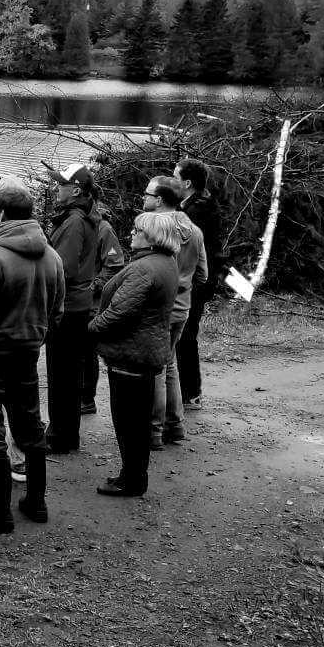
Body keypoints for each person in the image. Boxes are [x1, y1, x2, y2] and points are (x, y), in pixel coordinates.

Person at [0, 180, 65, 533]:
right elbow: (57, 311)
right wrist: (34, 335)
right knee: (30, 425)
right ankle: (36, 502)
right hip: (26, 353)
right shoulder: (52, 257)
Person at [89, 212, 181, 498]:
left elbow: (120, 310)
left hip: (132, 354)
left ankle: (131, 480)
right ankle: (133, 476)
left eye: (137, 230)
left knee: (128, 422)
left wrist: (92, 327)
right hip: (147, 350)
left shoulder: (145, 268)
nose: (131, 233)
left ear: (152, 237)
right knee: (137, 421)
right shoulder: (167, 263)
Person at [141, 176, 208, 447]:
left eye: (147, 194)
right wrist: (184, 281)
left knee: (155, 368)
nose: (143, 198)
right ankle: (175, 425)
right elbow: (203, 274)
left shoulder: (153, 229)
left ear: (159, 199)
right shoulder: (194, 230)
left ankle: (154, 430)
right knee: (169, 365)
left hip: (158, 307)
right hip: (182, 308)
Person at [42, 163, 104, 454]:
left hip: (67, 308)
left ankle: (59, 437)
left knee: (61, 375)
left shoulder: (75, 221)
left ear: (76, 189)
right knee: (67, 374)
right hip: (77, 305)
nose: (56, 189)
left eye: (61, 185)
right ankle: (64, 433)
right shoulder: (81, 217)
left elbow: (62, 269)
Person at [175, 158, 224, 410]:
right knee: (185, 334)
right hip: (199, 282)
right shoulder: (200, 205)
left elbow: (194, 251)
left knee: (186, 335)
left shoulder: (196, 212)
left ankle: (190, 392)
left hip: (195, 283)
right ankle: (188, 391)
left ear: (187, 183)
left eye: (175, 176)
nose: (172, 181)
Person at [81, 205, 127, 416]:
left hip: (93, 304)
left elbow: (115, 263)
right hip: (76, 301)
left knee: (87, 351)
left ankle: (86, 398)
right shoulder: (77, 225)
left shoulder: (104, 229)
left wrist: (96, 285)